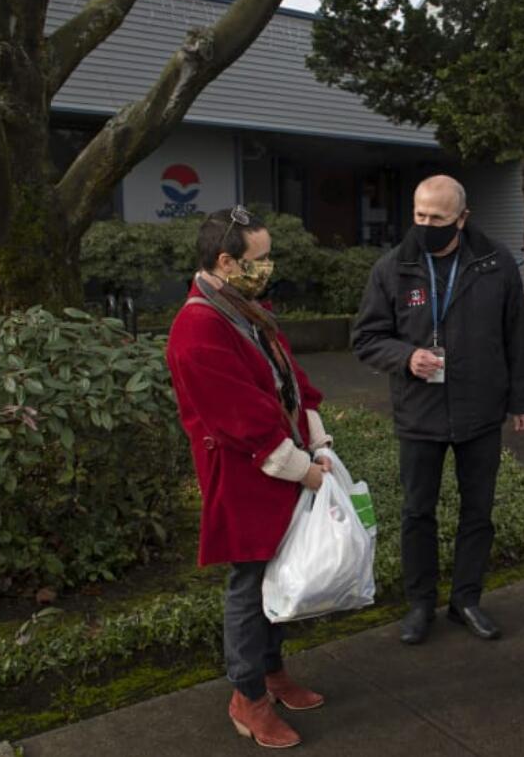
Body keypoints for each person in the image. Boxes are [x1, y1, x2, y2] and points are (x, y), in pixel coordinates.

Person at [167, 207, 333, 749]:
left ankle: (270, 672)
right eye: (259, 258)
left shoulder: (242, 308)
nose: (268, 267)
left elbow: (291, 381)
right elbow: (241, 419)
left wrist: (319, 441)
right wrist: (303, 467)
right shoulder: (198, 326)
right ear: (225, 261)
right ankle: (247, 696)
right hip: (245, 477)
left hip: (277, 466)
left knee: (275, 575)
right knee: (248, 585)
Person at [352, 175, 524, 645]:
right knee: (418, 512)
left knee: (478, 511)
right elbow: (367, 338)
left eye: (437, 218)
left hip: (480, 410)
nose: (426, 225)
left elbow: (516, 335)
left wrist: (522, 400)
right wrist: (405, 357)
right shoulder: (394, 267)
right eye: (419, 215)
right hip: (420, 412)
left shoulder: (494, 264)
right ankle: (419, 604)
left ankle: (466, 600)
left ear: (462, 217)